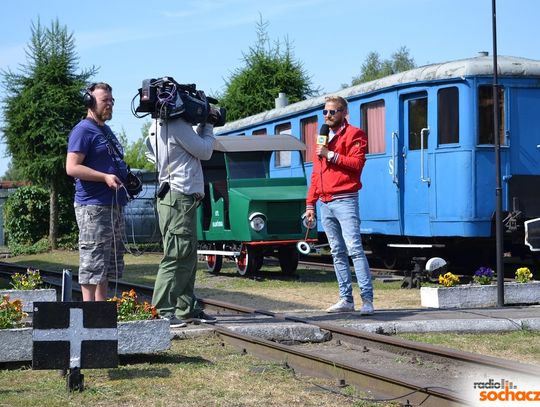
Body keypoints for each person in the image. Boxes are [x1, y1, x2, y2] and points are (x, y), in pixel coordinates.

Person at [145, 112, 218, 328]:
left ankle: (186, 308)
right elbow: (205, 151)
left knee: (186, 256)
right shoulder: (176, 124)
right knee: (176, 256)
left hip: (175, 198)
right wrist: (208, 125)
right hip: (178, 197)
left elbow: (152, 154)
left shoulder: (157, 125)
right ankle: (162, 311)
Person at [305, 96, 374, 315]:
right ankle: (346, 299)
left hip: (345, 199)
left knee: (354, 248)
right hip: (325, 202)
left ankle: (367, 300)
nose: (327, 116)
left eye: (332, 112)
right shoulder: (321, 138)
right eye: (324, 112)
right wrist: (310, 205)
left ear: (344, 113)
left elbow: (357, 164)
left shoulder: (355, 134)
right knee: (336, 251)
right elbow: (317, 173)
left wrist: (330, 155)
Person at [66, 82, 128, 301]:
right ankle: (90, 314)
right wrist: (104, 177)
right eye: (105, 101)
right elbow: (72, 167)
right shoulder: (83, 130)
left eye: (112, 100)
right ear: (90, 102)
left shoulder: (105, 130)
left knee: (108, 264)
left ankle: (101, 314)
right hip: (93, 206)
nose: (110, 105)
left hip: (113, 204)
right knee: (92, 262)